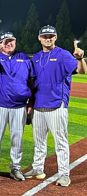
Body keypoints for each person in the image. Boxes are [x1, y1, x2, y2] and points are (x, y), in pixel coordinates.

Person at [25, 26, 79, 187]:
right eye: (44, 36)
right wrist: (31, 103)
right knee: (39, 141)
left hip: (57, 104)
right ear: (39, 38)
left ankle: (64, 174)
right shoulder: (36, 57)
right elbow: (33, 82)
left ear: (55, 37)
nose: (47, 39)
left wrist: (80, 59)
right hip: (39, 105)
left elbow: (80, 70)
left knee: (60, 142)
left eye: (51, 36)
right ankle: (37, 168)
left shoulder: (63, 54)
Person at [0, 32, 35, 180]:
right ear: (0, 43)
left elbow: (31, 81)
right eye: (5, 41)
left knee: (17, 137)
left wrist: (31, 101)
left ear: (15, 41)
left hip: (19, 106)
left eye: (11, 41)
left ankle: (15, 168)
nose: (9, 43)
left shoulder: (24, 57)